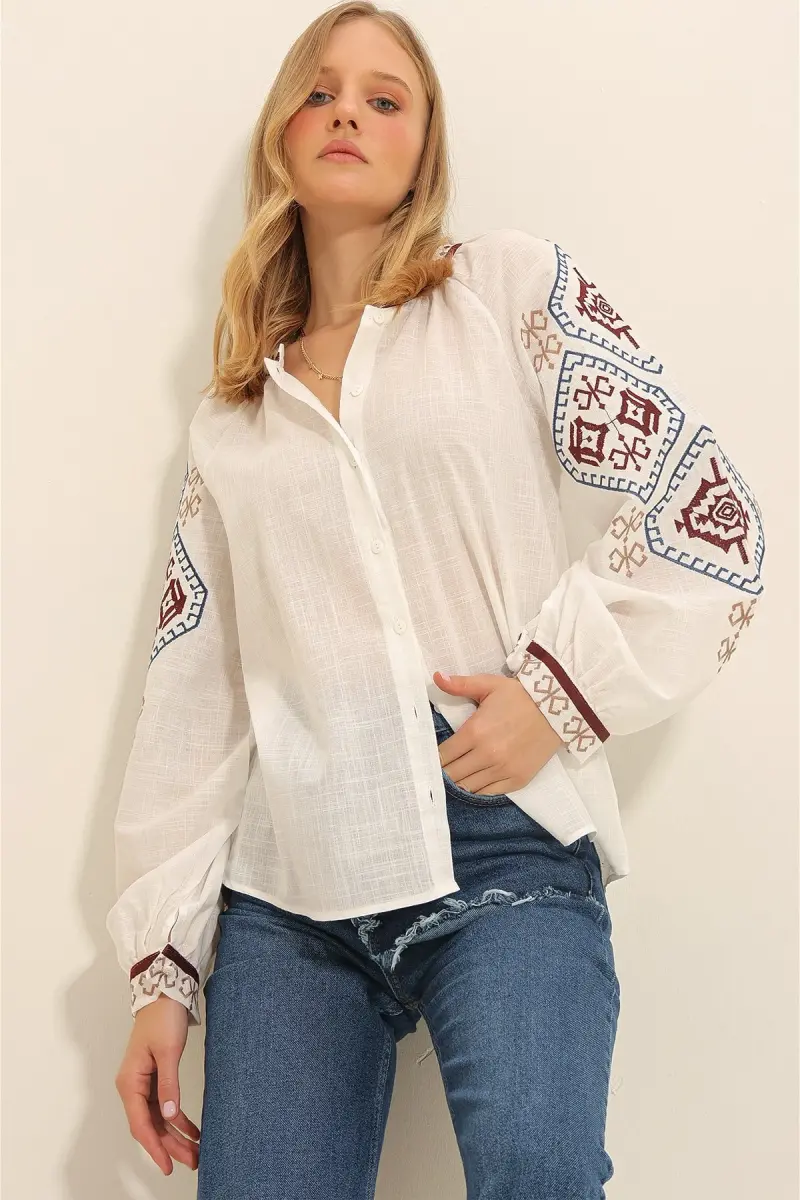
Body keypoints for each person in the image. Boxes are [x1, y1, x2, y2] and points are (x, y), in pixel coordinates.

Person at [106, 3, 767, 1196]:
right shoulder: (232, 420)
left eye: (384, 97)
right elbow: (193, 696)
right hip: (291, 891)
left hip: (502, 841)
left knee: (534, 1170)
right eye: (317, 92)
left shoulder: (504, 290)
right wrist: (164, 973)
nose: (346, 112)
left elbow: (701, 511)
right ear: (279, 136)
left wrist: (555, 696)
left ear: (423, 147)